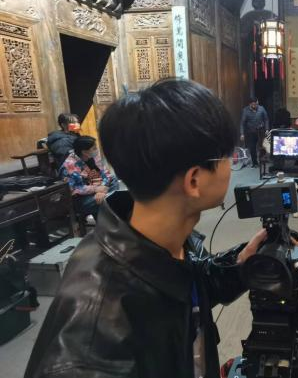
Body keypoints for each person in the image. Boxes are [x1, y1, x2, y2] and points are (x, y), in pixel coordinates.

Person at [25, 80, 268, 378]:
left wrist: (240, 266)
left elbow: (182, 291)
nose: (233, 164)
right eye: (228, 157)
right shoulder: (91, 353)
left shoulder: (165, 240)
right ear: (194, 180)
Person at [60, 135, 119, 219]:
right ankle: (111, 212)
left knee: (113, 179)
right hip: (81, 199)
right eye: (94, 148)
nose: (97, 150)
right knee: (110, 199)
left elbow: (106, 174)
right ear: (84, 152)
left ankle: (108, 202)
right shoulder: (70, 165)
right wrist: (95, 189)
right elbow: (73, 189)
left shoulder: (92, 157)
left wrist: (102, 188)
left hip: (97, 190)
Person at [240, 97, 269, 168]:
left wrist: (267, 129)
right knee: (252, 147)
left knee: (262, 146)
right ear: (249, 104)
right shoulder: (245, 110)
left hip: (261, 130)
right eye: (252, 105)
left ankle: (262, 160)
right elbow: (242, 123)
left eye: (255, 104)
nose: (254, 106)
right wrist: (242, 133)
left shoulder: (262, 109)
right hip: (251, 131)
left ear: (257, 102)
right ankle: (255, 162)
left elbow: (266, 119)